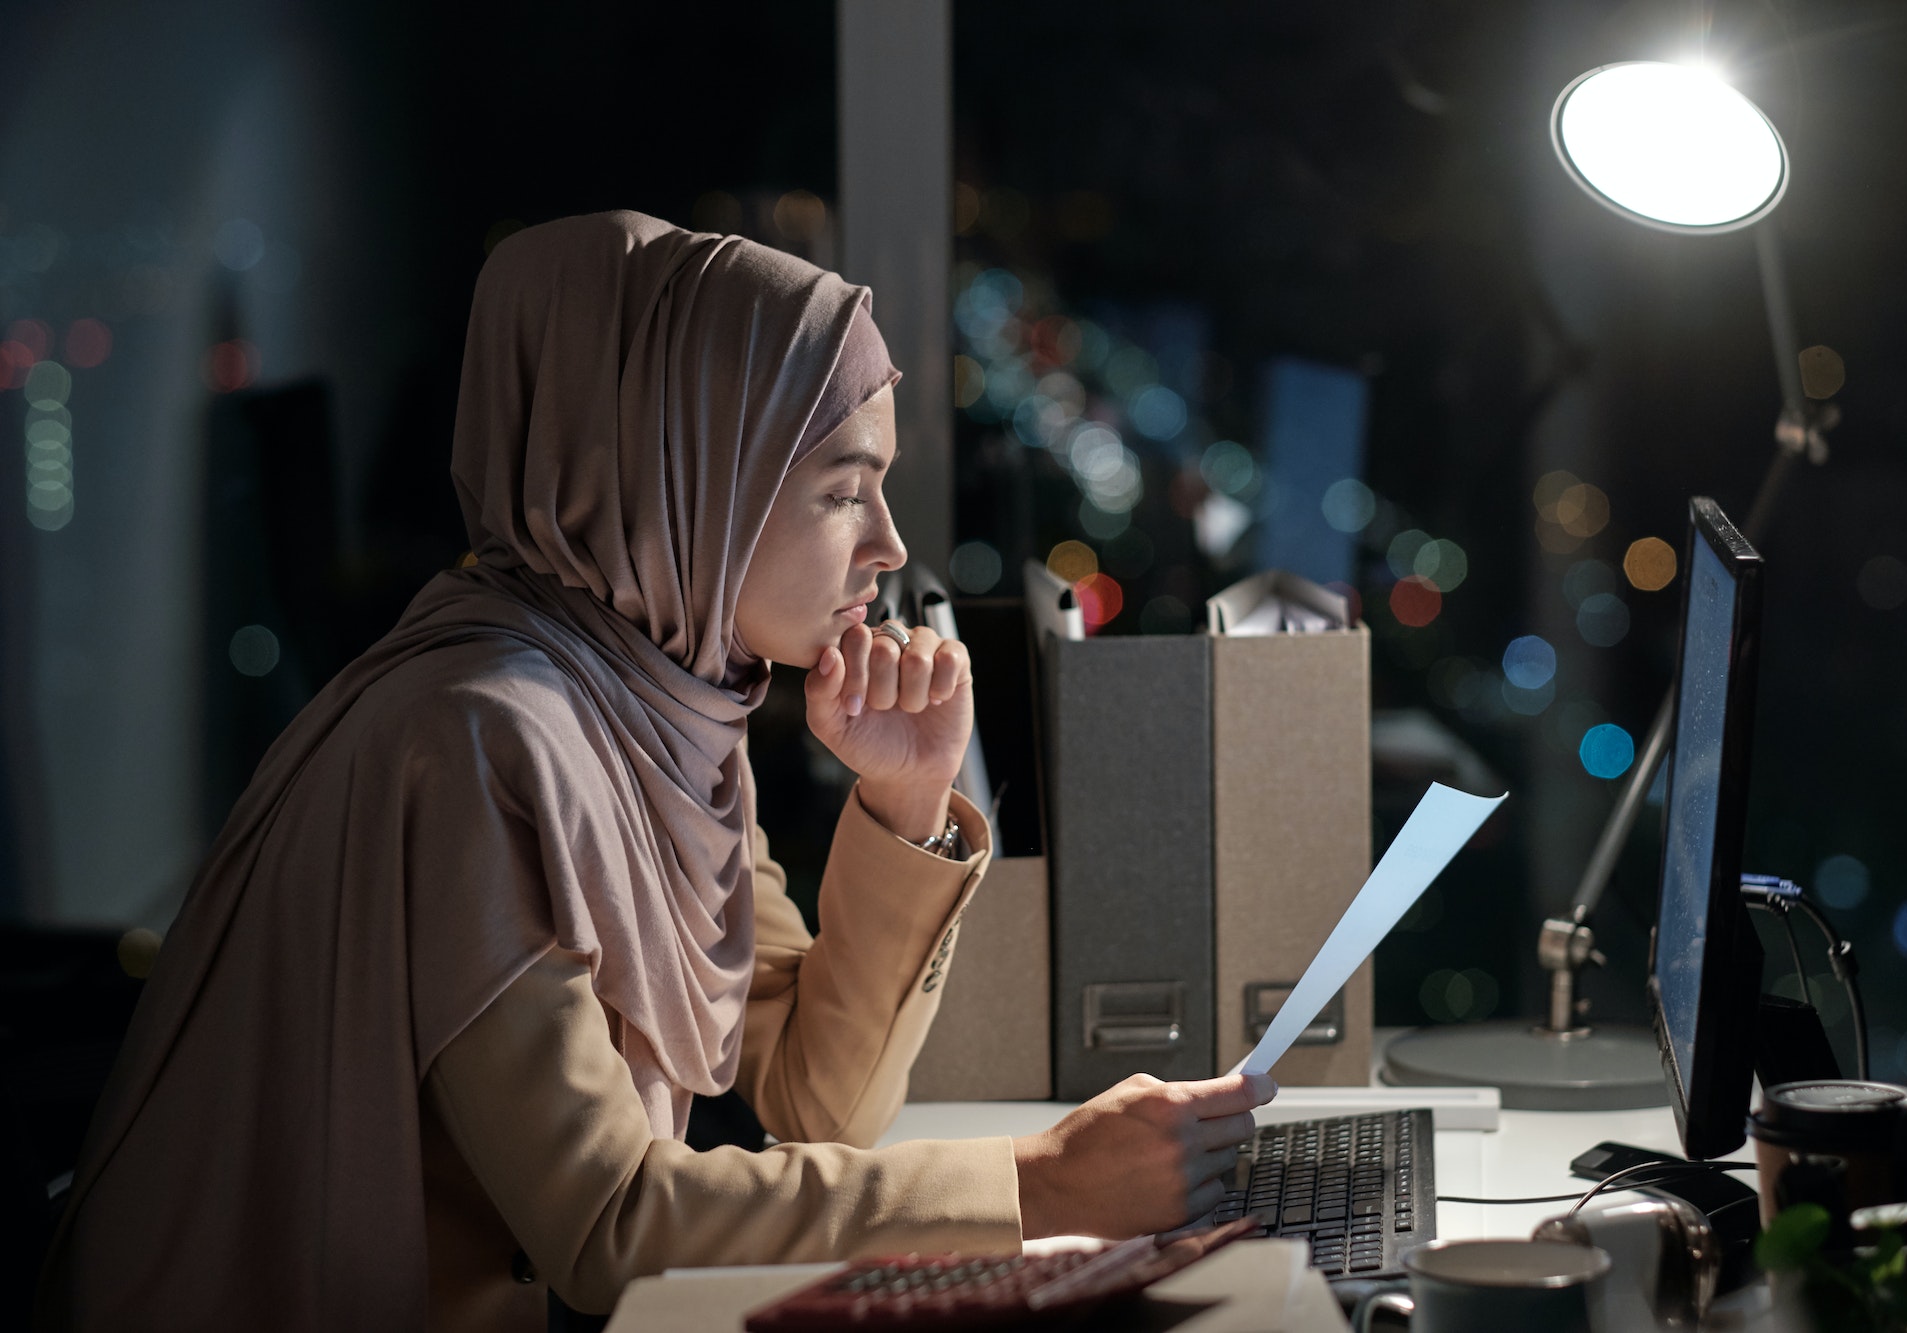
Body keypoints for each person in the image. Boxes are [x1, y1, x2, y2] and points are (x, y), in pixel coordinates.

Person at [35, 211, 1273, 1332]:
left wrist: (900, 801)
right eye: (845, 490)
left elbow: (816, 1102)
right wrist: (1042, 1182)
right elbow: (610, 1229)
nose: (889, 546)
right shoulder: (483, 733)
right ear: (692, 491)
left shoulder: (658, 705)